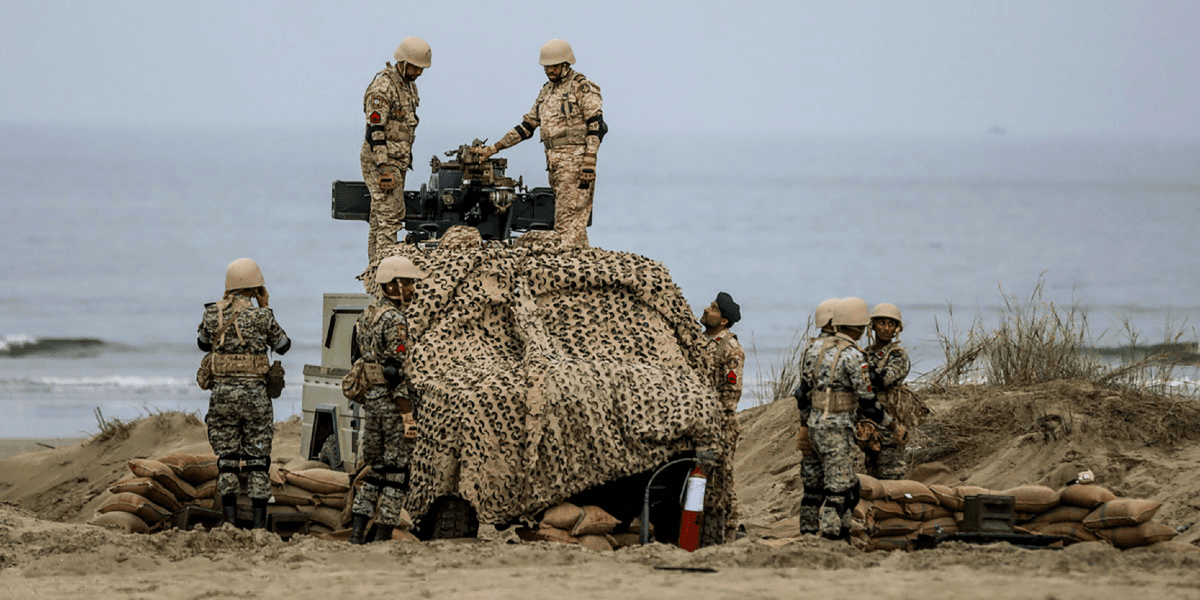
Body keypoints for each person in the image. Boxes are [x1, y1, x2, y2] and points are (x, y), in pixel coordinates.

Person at [474, 39, 605, 247]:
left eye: (554, 66)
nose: (550, 71)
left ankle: (570, 260)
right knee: (572, 224)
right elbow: (526, 127)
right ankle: (580, 259)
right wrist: (493, 149)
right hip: (555, 164)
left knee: (567, 224)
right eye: (546, 67)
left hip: (575, 163)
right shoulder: (547, 91)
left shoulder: (581, 87)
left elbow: (596, 125)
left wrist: (590, 159)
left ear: (566, 64)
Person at [197, 258, 291, 529]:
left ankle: (229, 522)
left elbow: (202, 343)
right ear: (256, 287)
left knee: (227, 460)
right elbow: (283, 345)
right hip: (255, 397)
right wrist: (265, 306)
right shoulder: (262, 316)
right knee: (258, 460)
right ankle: (259, 526)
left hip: (223, 396)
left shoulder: (212, 313)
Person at [347, 255, 427, 544]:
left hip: (372, 402)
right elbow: (395, 371)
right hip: (393, 405)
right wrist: (407, 415)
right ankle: (382, 535)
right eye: (408, 283)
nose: (413, 289)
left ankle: (357, 533)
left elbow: (355, 357)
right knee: (396, 473)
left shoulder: (367, 316)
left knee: (375, 472)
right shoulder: (394, 319)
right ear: (393, 285)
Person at [795, 297, 888, 540]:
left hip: (814, 426)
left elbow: (802, 394)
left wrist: (804, 427)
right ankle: (833, 539)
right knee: (840, 491)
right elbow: (868, 401)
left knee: (812, 489)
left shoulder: (812, 349)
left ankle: (807, 535)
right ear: (860, 327)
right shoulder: (852, 355)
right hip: (837, 431)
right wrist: (892, 425)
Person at [361, 37, 432, 262]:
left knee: (379, 219)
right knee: (390, 219)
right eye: (415, 67)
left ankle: (375, 269)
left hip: (397, 161)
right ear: (403, 62)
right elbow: (375, 130)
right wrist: (383, 168)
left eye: (421, 69)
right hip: (382, 161)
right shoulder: (383, 88)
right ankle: (386, 269)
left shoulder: (407, 86)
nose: (419, 72)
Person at [700, 291, 744, 541]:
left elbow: (732, 391)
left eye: (714, 308)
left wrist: (718, 417)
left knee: (723, 477)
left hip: (721, 422)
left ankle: (729, 529)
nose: (707, 310)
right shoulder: (699, 341)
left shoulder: (730, 348)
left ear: (724, 320)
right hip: (701, 421)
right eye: (710, 306)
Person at [860, 303, 912, 480]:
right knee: (871, 479)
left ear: (897, 329)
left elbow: (883, 380)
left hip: (890, 428)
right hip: (868, 427)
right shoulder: (865, 354)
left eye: (891, 324)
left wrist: (859, 365)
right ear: (873, 326)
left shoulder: (897, 355)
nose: (886, 328)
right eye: (882, 323)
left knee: (891, 480)